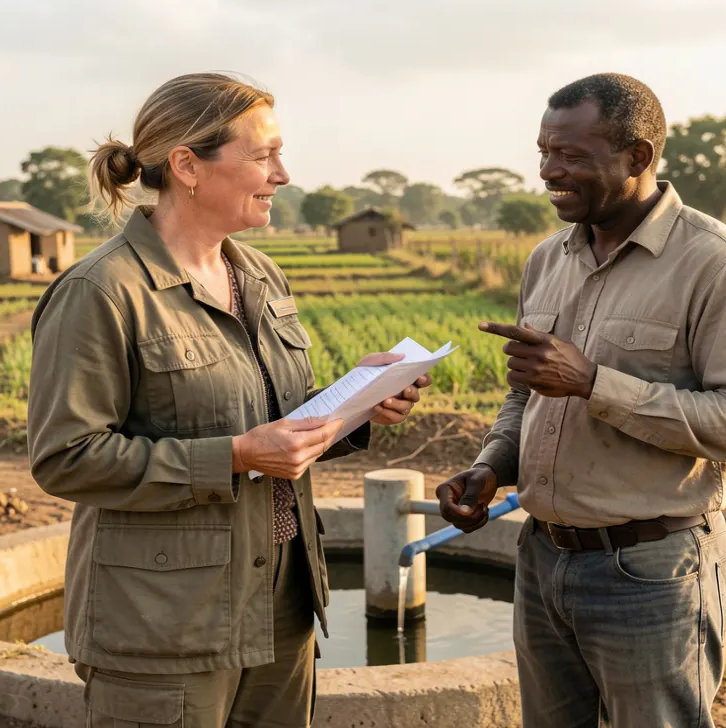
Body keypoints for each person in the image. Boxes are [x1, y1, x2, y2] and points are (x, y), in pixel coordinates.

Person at [27, 72, 430, 728]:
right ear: (187, 165)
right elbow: (66, 458)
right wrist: (236, 455)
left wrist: (357, 399)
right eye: (263, 155)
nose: (283, 174)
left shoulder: (258, 275)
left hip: (281, 599)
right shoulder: (102, 292)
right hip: (167, 620)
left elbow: (275, 416)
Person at [435, 73, 726, 727]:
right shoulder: (547, 259)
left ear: (638, 157)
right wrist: (492, 465)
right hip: (543, 558)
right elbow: (526, 396)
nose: (548, 171)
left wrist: (596, 383)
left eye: (570, 154)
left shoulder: (717, 265)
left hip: (652, 570)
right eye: (543, 151)